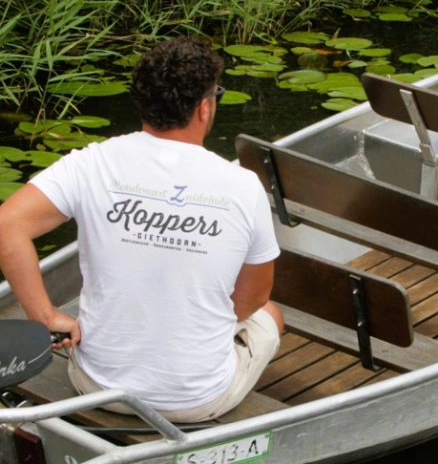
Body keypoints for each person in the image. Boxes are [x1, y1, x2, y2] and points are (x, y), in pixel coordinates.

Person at [0, 37, 283, 423]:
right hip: (193, 402)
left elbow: (7, 224)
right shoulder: (243, 186)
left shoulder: (91, 163)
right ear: (204, 106)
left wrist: (46, 317)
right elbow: (252, 298)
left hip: (94, 387)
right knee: (271, 313)